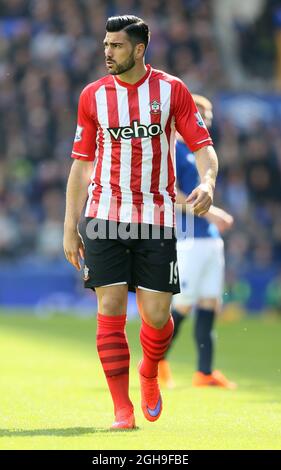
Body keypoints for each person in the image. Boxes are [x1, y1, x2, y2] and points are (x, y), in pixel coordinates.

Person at [63, 15, 218, 430]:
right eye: (105, 44)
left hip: (156, 217)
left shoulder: (172, 91)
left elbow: (203, 147)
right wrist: (69, 226)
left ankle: (150, 373)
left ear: (138, 49)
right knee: (109, 307)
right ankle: (122, 409)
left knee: (155, 316)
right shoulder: (93, 95)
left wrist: (207, 182)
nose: (107, 52)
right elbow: (81, 165)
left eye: (116, 45)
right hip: (104, 215)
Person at [158, 95, 237, 389]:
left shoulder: (197, 152)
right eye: (203, 113)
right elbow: (170, 194)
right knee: (184, 304)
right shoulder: (174, 151)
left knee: (209, 304)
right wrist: (212, 212)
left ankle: (204, 373)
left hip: (209, 240)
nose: (209, 119)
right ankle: (154, 363)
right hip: (187, 237)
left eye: (210, 114)